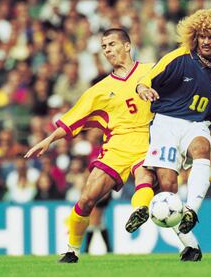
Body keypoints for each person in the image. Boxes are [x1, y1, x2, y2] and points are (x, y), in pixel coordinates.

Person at [25, 28, 202, 263]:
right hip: (116, 148)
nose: (107, 50)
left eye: (111, 44)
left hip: (149, 142)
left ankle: (144, 213)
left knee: (145, 179)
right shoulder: (99, 89)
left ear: (127, 46)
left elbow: (187, 80)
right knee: (87, 198)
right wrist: (48, 140)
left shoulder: (151, 70)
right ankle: (71, 250)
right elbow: (73, 119)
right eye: (104, 47)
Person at [133, 8, 211, 234]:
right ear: (194, 36)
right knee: (167, 185)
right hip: (165, 122)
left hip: (196, 124)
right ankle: (187, 243)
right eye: (202, 36)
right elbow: (147, 78)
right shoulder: (178, 58)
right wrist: (142, 88)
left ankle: (192, 211)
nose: (205, 41)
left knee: (202, 148)